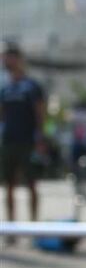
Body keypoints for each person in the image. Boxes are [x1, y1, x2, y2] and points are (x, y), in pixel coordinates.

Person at [1, 41, 46, 234]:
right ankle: (11, 229)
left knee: (31, 184)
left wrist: (40, 139)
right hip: (8, 142)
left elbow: (40, 114)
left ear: (18, 59)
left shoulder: (31, 86)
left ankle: (33, 227)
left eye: (8, 56)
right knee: (8, 186)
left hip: (28, 142)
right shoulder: (4, 88)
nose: (5, 60)